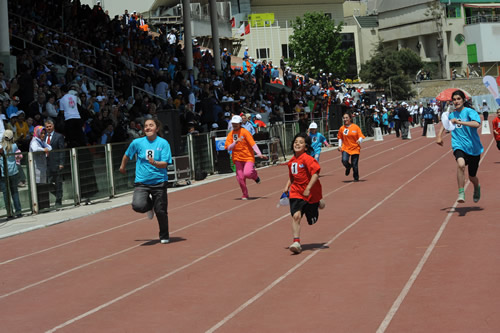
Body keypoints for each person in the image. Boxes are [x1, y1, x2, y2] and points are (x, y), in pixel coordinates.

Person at [119, 119, 172, 244]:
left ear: (157, 128)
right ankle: (149, 206)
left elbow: (165, 164)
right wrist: (122, 166)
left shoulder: (163, 143)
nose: (148, 128)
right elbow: (127, 155)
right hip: (142, 181)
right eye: (146, 126)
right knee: (138, 205)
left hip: (159, 182)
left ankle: (164, 235)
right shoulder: (137, 142)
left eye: (151, 125)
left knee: (161, 211)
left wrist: (155, 163)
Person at [436, 90, 483, 203]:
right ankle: (461, 193)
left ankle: (477, 187)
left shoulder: (469, 112)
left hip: (473, 147)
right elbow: (445, 124)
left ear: (463, 100)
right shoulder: (452, 114)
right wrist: (439, 136)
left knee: (472, 177)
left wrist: (460, 122)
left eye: (458, 99)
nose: (456, 101)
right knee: (460, 164)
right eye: (454, 99)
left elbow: (476, 124)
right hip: (459, 145)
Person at [282, 133, 325, 254]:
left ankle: (318, 202)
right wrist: (286, 187)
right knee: (296, 216)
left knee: (312, 220)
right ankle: (296, 242)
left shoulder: (308, 159)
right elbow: (292, 177)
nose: (297, 144)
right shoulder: (291, 161)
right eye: (296, 142)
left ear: (306, 147)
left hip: (309, 193)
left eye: (301, 142)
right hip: (296, 191)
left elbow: (315, 173)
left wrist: (308, 188)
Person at [224, 115, 266, 200]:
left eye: (236, 124)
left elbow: (252, 143)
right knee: (240, 177)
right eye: (233, 123)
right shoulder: (230, 134)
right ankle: (245, 194)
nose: (234, 125)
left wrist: (259, 153)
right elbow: (228, 147)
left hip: (248, 157)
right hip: (237, 158)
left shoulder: (245, 132)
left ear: (240, 123)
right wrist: (235, 143)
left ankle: (255, 176)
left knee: (247, 173)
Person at [0, 130, 22, 218]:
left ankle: (10, 213)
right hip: (13, 171)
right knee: (15, 192)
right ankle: (18, 211)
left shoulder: (1, 147)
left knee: (6, 194)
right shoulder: (14, 146)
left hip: (4, 172)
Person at [337, 113, 365, 182]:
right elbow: (340, 137)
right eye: (344, 118)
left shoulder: (355, 127)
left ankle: (356, 177)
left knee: (355, 165)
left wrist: (359, 140)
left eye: (346, 118)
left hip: (355, 148)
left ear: (350, 118)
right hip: (346, 148)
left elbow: (361, 136)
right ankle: (348, 167)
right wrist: (339, 145)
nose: (345, 119)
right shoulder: (342, 128)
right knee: (344, 160)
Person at [29, 125, 52, 210]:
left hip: (42, 168)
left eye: (44, 133)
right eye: (41, 133)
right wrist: (44, 150)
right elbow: (35, 149)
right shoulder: (34, 141)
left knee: (43, 187)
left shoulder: (41, 142)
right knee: (38, 188)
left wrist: (45, 148)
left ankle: (45, 206)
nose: (43, 135)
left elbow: (50, 147)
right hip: (36, 168)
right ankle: (39, 207)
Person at [45, 120, 65, 207]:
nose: (48, 128)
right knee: (47, 182)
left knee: (58, 182)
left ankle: (58, 201)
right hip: (46, 163)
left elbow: (62, 150)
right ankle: (58, 195)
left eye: (50, 126)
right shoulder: (44, 136)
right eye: (47, 127)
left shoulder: (59, 136)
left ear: (53, 126)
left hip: (56, 163)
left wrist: (61, 163)